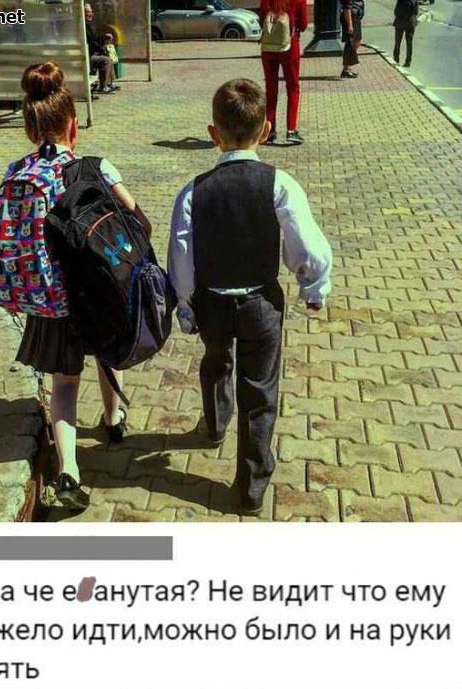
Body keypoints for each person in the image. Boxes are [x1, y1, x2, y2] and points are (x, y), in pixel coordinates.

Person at [167, 79, 332, 515]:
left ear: (213, 134)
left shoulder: (193, 191)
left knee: (215, 360)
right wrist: (313, 287)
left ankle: (215, 424)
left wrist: (185, 306)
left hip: (212, 302)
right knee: (260, 392)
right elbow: (306, 244)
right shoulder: (280, 184)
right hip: (261, 302)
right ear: (266, 130)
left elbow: (181, 256)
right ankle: (252, 487)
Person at [14, 62, 151, 510]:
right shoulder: (96, 167)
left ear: (30, 127)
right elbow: (139, 221)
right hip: (102, 291)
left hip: (53, 298)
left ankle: (69, 473)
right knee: (109, 355)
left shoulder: (20, 172)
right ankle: (114, 418)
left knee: (64, 385)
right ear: (73, 125)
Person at [259, 0, 308, 145]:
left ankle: (270, 130)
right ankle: (291, 130)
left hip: (268, 47)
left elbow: (262, 20)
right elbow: (304, 25)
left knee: (271, 88)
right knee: (293, 87)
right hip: (290, 45)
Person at [85, 3, 119, 94]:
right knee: (106, 60)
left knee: (107, 56)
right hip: (87, 56)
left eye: (91, 12)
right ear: (82, 13)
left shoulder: (87, 25)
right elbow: (93, 42)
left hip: (89, 53)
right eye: (88, 12)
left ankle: (109, 83)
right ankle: (103, 86)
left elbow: (94, 40)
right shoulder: (84, 27)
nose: (91, 14)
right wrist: (101, 49)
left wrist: (104, 37)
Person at [340, 0, 365, 78]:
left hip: (356, 18)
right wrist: (350, 25)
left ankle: (347, 68)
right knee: (350, 43)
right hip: (351, 19)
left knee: (356, 42)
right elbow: (347, 8)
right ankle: (345, 70)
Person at [393, 0, 419, 67]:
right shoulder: (415, 1)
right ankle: (408, 61)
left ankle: (396, 59)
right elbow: (416, 12)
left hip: (400, 22)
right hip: (411, 22)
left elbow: (396, 11)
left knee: (398, 42)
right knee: (409, 43)